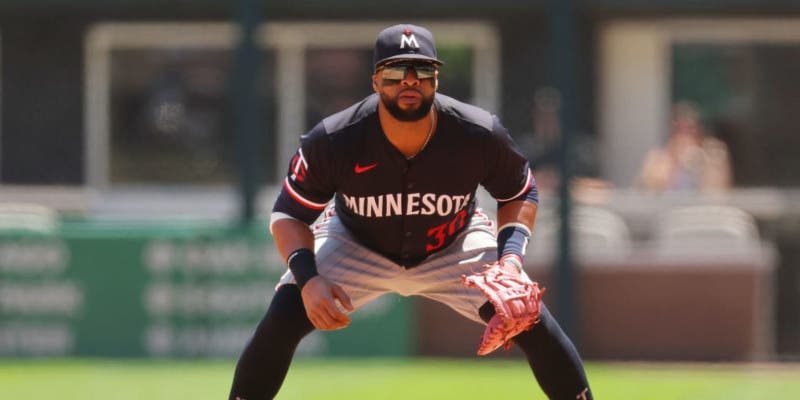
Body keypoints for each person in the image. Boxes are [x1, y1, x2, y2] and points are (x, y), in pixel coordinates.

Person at [229, 24, 592, 400]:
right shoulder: (335, 139)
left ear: (436, 79)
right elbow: (287, 215)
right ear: (375, 81)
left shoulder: (478, 133)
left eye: (422, 71)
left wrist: (511, 261)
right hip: (356, 242)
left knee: (529, 317)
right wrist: (307, 279)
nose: (410, 82)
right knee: (284, 314)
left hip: (455, 242)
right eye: (395, 72)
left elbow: (519, 192)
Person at [636, 101, 732, 192]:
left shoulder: (713, 152)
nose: (684, 134)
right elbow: (647, 191)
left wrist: (703, 164)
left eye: (690, 129)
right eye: (678, 129)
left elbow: (718, 192)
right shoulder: (658, 157)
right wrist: (673, 163)